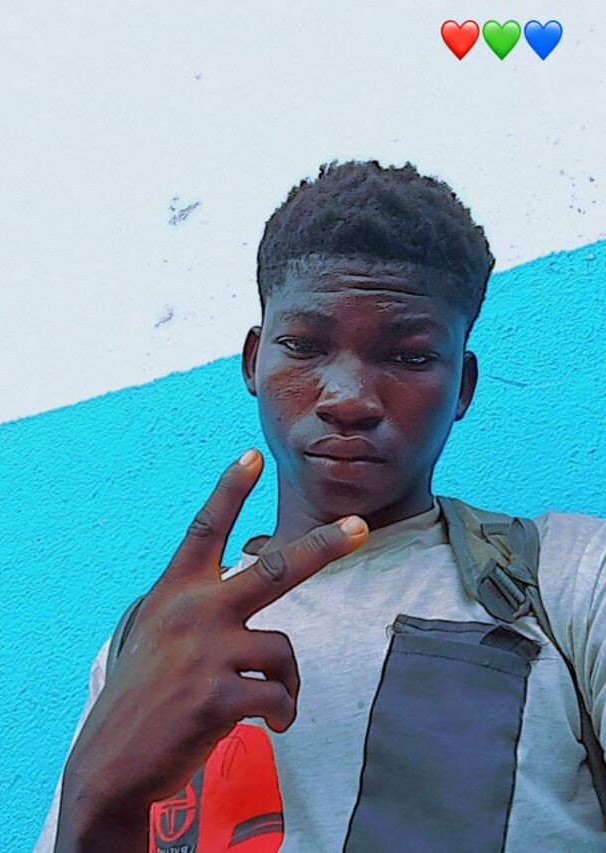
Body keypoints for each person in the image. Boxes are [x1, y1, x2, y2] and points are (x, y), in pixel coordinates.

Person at [35, 161, 606, 852]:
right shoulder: (153, 638)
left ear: (463, 386)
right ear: (253, 361)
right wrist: (96, 796)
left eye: (409, 356)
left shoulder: (570, 581)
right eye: (304, 346)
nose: (348, 399)